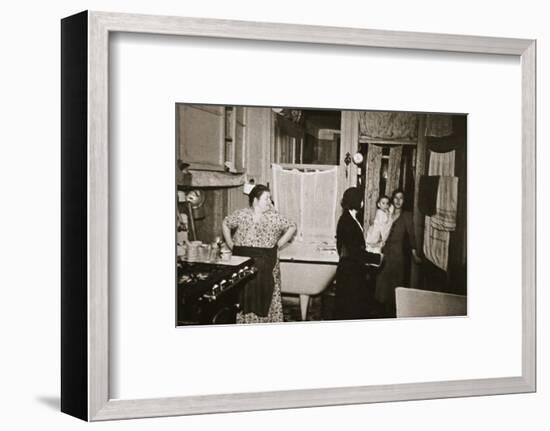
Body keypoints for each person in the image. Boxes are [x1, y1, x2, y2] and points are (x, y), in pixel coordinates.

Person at [222, 185, 296, 324]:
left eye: (270, 198)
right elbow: (226, 223)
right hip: (243, 263)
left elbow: (292, 226)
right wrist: (230, 243)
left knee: (266, 296)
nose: (270, 201)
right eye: (266, 198)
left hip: (267, 263)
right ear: (255, 200)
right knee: (244, 296)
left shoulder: (274, 216)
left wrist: (279, 244)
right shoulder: (242, 214)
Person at [335, 187, 380, 320]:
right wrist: (377, 258)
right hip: (350, 273)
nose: (363, 202)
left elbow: (350, 247)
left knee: (351, 307)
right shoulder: (348, 222)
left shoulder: (350, 218)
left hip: (350, 269)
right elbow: (354, 252)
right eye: (361, 199)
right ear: (355, 201)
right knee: (351, 309)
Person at [375, 189, 422, 317]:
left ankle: (393, 314)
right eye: (395, 198)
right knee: (381, 286)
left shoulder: (407, 215)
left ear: (404, 200)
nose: (398, 201)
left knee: (394, 287)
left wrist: (414, 254)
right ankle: (380, 314)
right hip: (383, 254)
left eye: (401, 198)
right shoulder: (386, 212)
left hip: (397, 256)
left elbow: (412, 236)